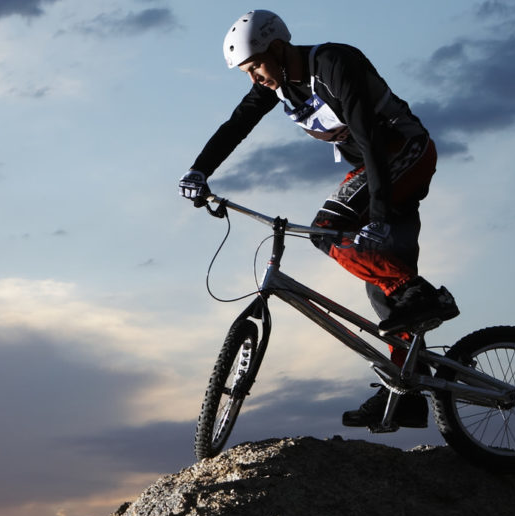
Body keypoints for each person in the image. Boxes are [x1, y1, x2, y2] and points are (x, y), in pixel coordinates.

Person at [177, 9, 458, 429]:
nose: (254, 78)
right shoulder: (279, 87)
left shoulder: (332, 63)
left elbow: (367, 134)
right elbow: (236, 125)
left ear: (277, 49)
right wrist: (200, 170)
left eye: (254, 66)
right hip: (378, 168)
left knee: (327, 229)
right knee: (387, 291)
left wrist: (378, 215)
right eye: (245, 72)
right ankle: (408, 392)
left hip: (402, 151)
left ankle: (416, 292)